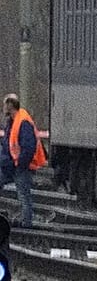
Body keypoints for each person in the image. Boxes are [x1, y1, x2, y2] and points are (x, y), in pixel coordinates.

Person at [2, 94, 44, 229]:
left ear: (10, 106)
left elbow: (28, 147)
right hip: (12, 166)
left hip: (21, 167)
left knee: (24, 196)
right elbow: (8, 145)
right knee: (23, 195)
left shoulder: (23, 122)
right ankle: (26, 222)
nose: (3, 108)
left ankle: (27, 224)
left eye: (4, 105)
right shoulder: (13, 121)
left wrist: (19, 164)